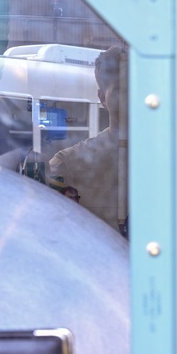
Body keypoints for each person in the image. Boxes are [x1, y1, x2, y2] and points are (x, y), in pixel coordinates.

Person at [46, 46, 127, 234]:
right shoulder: (68, 164)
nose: (131, 99)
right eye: (121, 90)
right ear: (102, 98)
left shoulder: (162, 162)